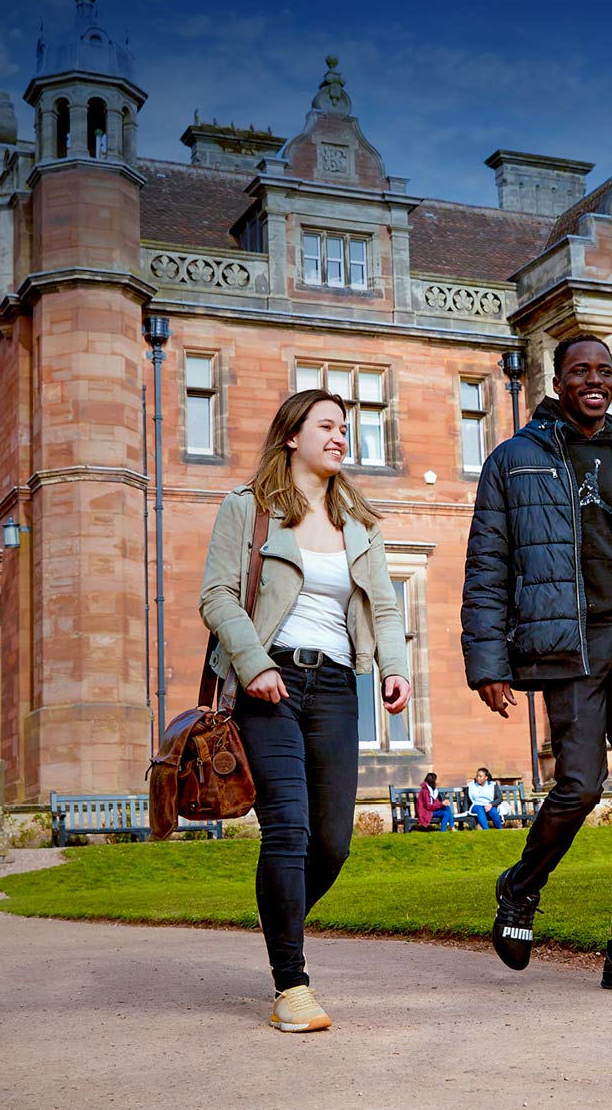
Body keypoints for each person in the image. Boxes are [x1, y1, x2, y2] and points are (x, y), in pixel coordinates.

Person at [462, 334, 612, 994]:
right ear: (557, 380)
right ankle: (520, 886)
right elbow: (487, 567)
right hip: (570, 645)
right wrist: (488, 662)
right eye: (579, 371)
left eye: (603, 371)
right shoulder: (514, 461)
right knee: (582, 786)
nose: (593, 380)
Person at [201, 388, 413, 1033]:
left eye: (344, 428)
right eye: (326, 426)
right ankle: (291, 984)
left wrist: (395, 666)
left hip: (337, 689)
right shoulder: (249, 510)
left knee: (332, 842)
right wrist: (254, 663)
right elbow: (216, 597)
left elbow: (384, 605)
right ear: (292, 435)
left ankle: (278, 914)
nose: (340, 437)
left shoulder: (360, 523)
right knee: (288, 832)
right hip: (271, 684)